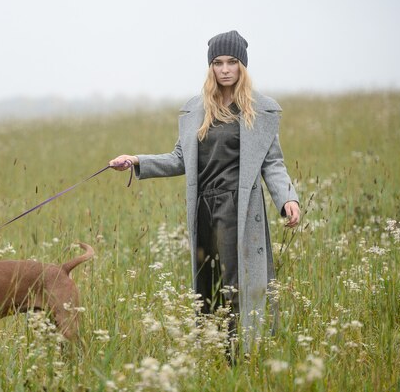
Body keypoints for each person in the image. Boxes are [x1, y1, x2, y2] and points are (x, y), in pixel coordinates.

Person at [109, 30, 300, 353]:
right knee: (207, 284)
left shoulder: (259, 111)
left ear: (242, 66)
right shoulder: (196, 111)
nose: (225, 69)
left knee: (237, 285)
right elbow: (179, 159)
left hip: (239, 208)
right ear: (210, 67)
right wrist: (136, 160)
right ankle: (211, 350)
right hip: (204, 209)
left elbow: (273, 163)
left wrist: (287, 198)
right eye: (217, 63)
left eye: (232, 62)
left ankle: (240, 354)